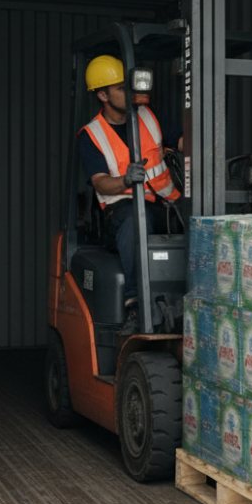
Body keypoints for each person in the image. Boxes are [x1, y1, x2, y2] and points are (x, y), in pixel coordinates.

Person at [77, 55, 182, 332]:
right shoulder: (92, 135)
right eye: (122, 88)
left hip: (165, 206)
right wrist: (125, 179)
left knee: (198, 220)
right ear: (103, 95)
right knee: (138, 220)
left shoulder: (149, 116)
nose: (131, 92)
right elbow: (100, 182)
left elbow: (182, 140)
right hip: (120, 214)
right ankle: (136, 303)